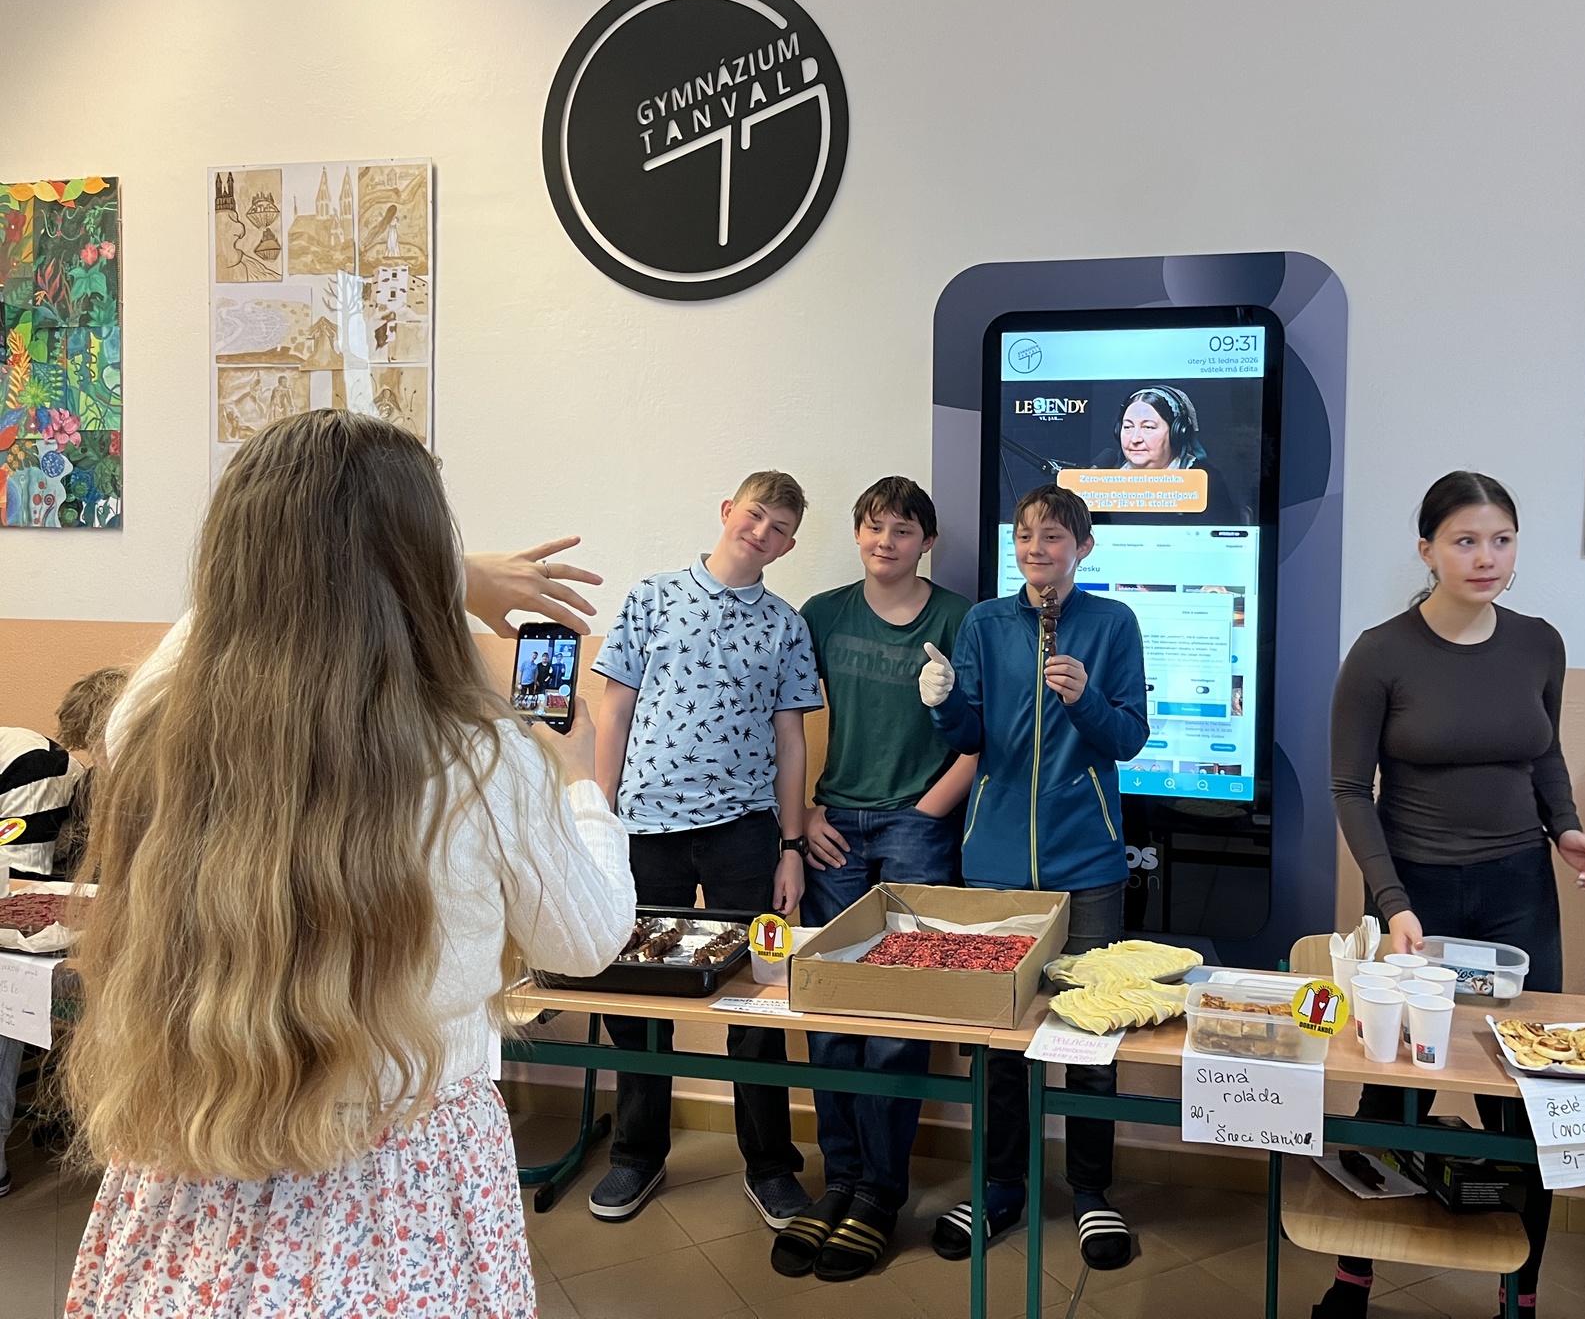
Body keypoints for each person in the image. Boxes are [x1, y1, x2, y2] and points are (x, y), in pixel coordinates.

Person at [59, 410, 635, 1317]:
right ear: (418, 558)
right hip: (403, 1183)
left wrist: (435, 567)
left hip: (202, 1151)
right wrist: (579, 783)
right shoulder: (486, 760)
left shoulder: (156, 729)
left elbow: (211, 623)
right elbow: (588, 940)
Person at [1320, 471, 1585, 1319]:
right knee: (1394, 1089)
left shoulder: (1538, 643)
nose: (1487, 558)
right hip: (1415, 895)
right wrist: (1391, 900)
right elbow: (1350, 788)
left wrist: (1566, 828)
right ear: (1428, 551)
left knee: (1524, 1092)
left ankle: (1520, 1296)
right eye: (1465, 541)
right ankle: (1353, 1282)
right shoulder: (1381, 653)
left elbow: (1544, 751)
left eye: (1502, 540)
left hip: (1520, 892)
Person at [919, 483, 1149, 1271]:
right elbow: (971, 734)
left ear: (1082, 548)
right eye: (1024, 536)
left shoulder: (1113, 623)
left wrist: (1087, 702)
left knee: (1091, 1036)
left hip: (1088, 867)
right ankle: (999, 1188)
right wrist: (943, 704)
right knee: (999, 1041)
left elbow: (1130, 738)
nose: (1036, 549)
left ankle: (1091, 1193)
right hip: (994, 872)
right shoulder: (985, 623)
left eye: (1053, 536)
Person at [589, 471, 822, 1228]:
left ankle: (770, 1166)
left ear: (788, 545)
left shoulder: (786, 626)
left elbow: (792, 742)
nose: (761, 532)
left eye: (779, 527)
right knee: (638, 999)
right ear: (727, 512)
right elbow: (613, 711)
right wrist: (600, 820)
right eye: (754, 515)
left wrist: (791, 846)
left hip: (745, 834)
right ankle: (636, 1155)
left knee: (757, 998)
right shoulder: (652, 597)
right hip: (645, 830)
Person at [771, 476, 976, 1281]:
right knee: (831, 1012)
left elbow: (983, 734)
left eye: (902, 529)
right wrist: (800, 819)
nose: (885, 541)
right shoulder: (821, 614)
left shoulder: (959, 617)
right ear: (857, 534)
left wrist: (926, 813)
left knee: (895, 1019)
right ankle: (840, 1181)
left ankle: (880, 1195)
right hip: (835, 828)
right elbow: (784, 723)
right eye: (872, 526)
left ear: (928, 541)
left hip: (918, 828)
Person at [0, 666, 128, 1199]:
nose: (98, 758)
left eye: (102, 744)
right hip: (69, 932)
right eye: (92, 748)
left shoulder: (174, 789)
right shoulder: (90, 786)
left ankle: (119, 1139)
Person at [1088, 384, 1242, 523]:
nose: (1135, 439)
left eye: (1148, 427)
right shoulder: (1104, 479)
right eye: (1128, 427)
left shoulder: (1205, 480)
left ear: (1177, 433)